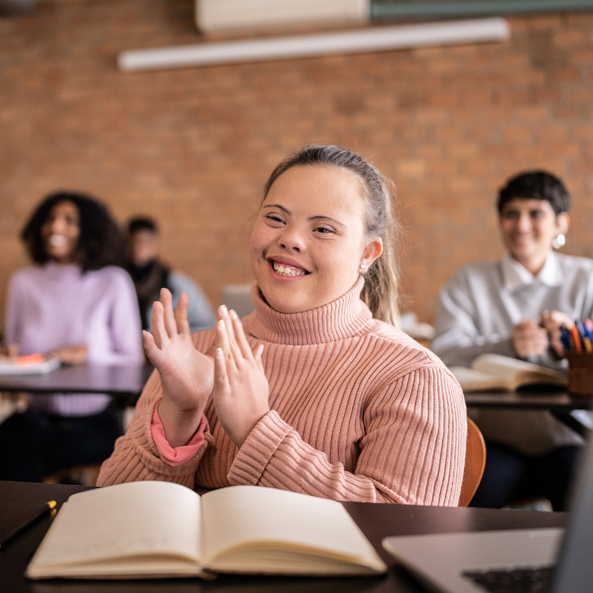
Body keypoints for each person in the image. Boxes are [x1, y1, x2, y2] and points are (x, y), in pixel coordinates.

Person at [98, 145, 466, 505]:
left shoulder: (413, 377)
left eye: (323, 229)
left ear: (367, 254)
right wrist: (179, 412)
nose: (289, 239)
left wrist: (256, 429)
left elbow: (403, 533)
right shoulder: (193, 353)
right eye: (275, 218)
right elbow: (112, 514)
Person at [432, 171, 593, 510]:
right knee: (465, 513)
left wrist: (576, 346)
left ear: (560, 224)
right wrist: (507, 345)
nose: (521, 225)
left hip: (571, 439)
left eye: (535, 213)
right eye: (511, 214)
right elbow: (442, 354)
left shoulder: (587, 278)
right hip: (494, 441)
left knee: (583, 520)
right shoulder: (469, 280)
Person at [0, 191, 145, 482]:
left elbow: (133, 359)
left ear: (90, 230)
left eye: (69, 220)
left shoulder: (113, 282)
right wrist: (9, 353)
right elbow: (11, 345)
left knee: (24, 460)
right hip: (35, 417)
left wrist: (89, 354)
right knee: (14, 443)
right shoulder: (24, 282)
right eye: (50, 219)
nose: (55, 227)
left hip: (93, 421)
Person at [125, 216, 215, 333]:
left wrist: (176, 335)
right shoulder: (119, 281)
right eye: (133, 242)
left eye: (144, 242)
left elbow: (206, 324)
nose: (138, 248)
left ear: (154, 245)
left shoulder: (176, 283)